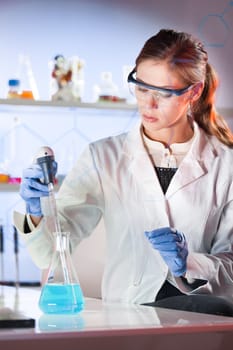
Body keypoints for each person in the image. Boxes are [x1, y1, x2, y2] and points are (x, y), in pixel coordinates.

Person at [14, 28, 233, 316]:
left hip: (203, 318)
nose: (147, 104)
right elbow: (49, 254)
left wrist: (189, 262)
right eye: (141, 87)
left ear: (193, 92)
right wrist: (36, 210)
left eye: (163, 94)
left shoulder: (225, 163)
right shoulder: (103, 157)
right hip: (128, 317)